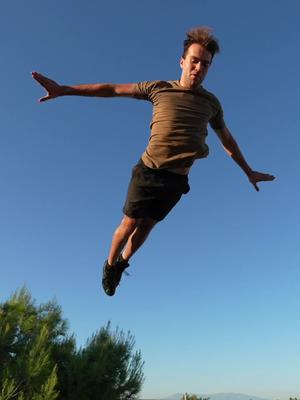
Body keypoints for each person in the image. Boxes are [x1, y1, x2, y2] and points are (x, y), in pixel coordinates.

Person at [32, 27, 275, 297]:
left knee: (148, 225)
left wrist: (248, 171)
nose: (199, 68)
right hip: (149, 171)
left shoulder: (211, 103)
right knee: (129, 224)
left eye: (205, 64)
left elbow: (227, 139)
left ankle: (123, 262)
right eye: (194, 60)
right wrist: (64, 89)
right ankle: (110, 264)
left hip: (177, 179)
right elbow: (112, 89)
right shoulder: (158, 88)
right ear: (182, 62)